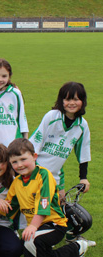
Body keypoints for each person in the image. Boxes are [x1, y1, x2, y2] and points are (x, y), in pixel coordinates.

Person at [0, 138, 88, 257]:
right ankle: (77, 250)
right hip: (38, 226)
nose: (20, 165)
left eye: (23, 159)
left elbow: (44, 205)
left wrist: (33, 227)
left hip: (54, 225)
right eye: (15, 162)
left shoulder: (44, 175)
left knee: (31, 240)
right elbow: (9, 206)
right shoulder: (17, 182)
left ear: (34, 157)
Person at [29, 82, 93, 246]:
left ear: (83, 101)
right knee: (35, 207)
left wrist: (83, 178)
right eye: (68, 99)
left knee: (61, 208)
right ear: (61, 100)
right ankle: (29, 237)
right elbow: (35, 143)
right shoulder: (52, 116)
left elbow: (83, 152)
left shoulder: (82, 125)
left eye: (77, 99)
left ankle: (71, 238)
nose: (72, 103)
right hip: (37, 171)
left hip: (57, 174)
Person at [0, 58, 29, 147]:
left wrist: (26, 145)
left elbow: (22, 121)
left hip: (13, 147)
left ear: (9, 77)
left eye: (4, 76)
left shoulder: (15, 93)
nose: (0, 79)